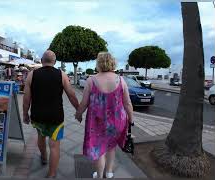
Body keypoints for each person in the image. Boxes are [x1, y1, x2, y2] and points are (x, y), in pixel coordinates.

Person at [75, 52, 133, 178]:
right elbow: (127, 103)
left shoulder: (91, 80)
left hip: (96, 122)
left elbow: (84, 103)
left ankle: (100, 175)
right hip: (117, 122)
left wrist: (78, 114)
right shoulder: (121, 80)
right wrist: (131, 120)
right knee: (111, 146)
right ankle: (109, 172)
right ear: (112, 63)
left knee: (99, 149)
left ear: (99, 63)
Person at [23, 50, 79, 178]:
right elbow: (71, 94)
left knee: (40, 138)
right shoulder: (62, 75)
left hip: (38, 116)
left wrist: (25, 114)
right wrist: (79, 110)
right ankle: (52, 174)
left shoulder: (32, 75)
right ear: (54, 62)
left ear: (42, 61)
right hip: (56, 117)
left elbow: (26, 98)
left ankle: (43, 157)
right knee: (54, 146)